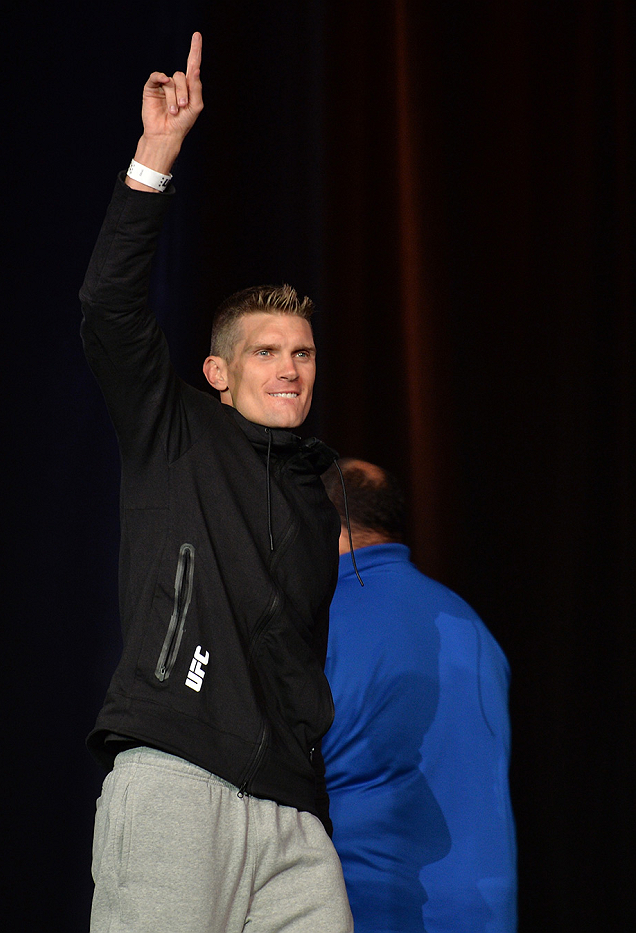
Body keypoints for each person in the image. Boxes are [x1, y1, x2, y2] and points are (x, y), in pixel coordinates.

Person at [80, 33, 353, 933]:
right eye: (266, 353)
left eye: (303, 353)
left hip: (293, 815)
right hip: (177, 775)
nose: (289, 368)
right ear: (217, 372)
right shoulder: (176, 432)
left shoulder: (319, 497)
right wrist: (157, 154)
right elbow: (110, 310)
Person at [322, 459, 517, 933]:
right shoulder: (471, 624)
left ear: (320, 522)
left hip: (373, 909)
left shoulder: (321, 622)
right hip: (487, 913)